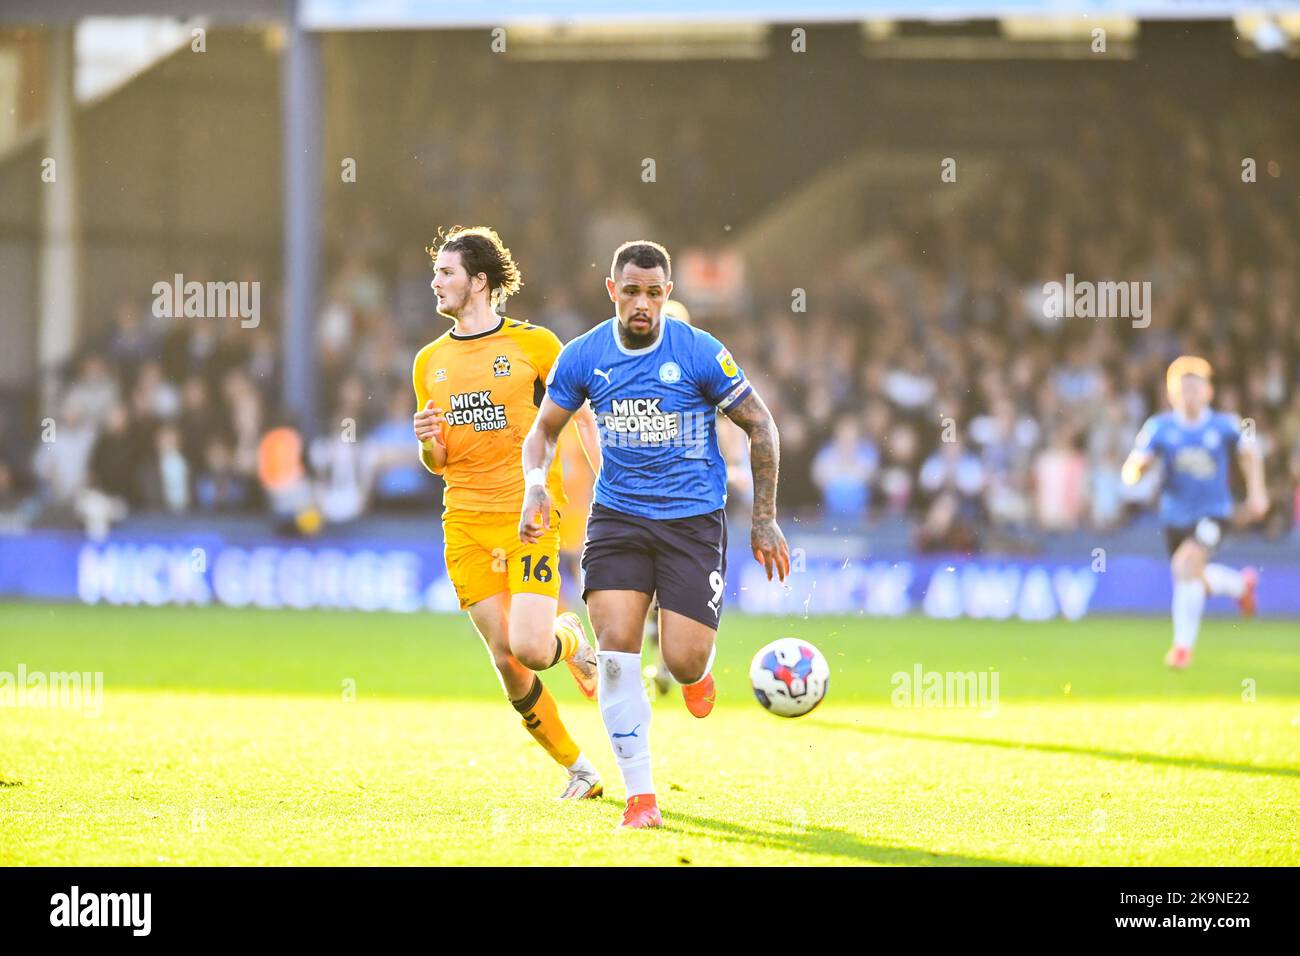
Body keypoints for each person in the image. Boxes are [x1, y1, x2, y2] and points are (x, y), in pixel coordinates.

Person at [519, 240, 789, 829]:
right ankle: (642, 799)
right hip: (617, 519)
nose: (642, 303)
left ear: (668, 294)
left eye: (654, 292)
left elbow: (761, 425)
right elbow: (540, 432)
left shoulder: (698, 352)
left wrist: (764, 516)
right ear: (612, 290)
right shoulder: (583, 356)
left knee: (683, 662)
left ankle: (697, 672)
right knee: (616, 652)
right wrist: (535, 483)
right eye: (631, 291)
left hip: (692, 522)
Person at [412, 225, 606, 800]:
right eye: (436, 272)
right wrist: (426, 441)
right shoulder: (428, 361)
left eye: (446, 273)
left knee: (531, 647)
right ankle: (580, 770)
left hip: (529, 515)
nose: (436, 282)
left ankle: (568, 639)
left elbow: (584, 419)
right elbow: (438, 461)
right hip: (465, 523)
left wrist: (612, 485)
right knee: (507, 661)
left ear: (479, 282)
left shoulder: (538, 346)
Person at [1121, 356, 1267, 669]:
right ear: (1171, 393)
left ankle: (1182, 650)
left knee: (1185, 565)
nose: (1190, 394)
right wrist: (1136, 471)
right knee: (1190, 575)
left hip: (1215, 514)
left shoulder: (1225, 424)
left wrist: (1257, 492)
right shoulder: (1159, 427)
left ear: (1208, 392)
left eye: (1196, 387)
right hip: (1175, 519)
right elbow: (1133, 467)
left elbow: (1251, 453)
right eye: (1183, 388)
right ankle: (1240, 586)